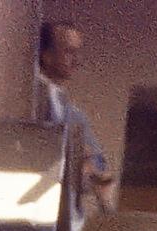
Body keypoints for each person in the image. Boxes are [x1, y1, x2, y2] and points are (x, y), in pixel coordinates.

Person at [33, 20, 113, 212]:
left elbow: (99, 166)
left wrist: (88, 166)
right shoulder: (25, 101)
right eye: (69, 52)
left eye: (78, 52)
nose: (77, 60)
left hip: (66, 215)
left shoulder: (75, 116)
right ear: (46, 55)